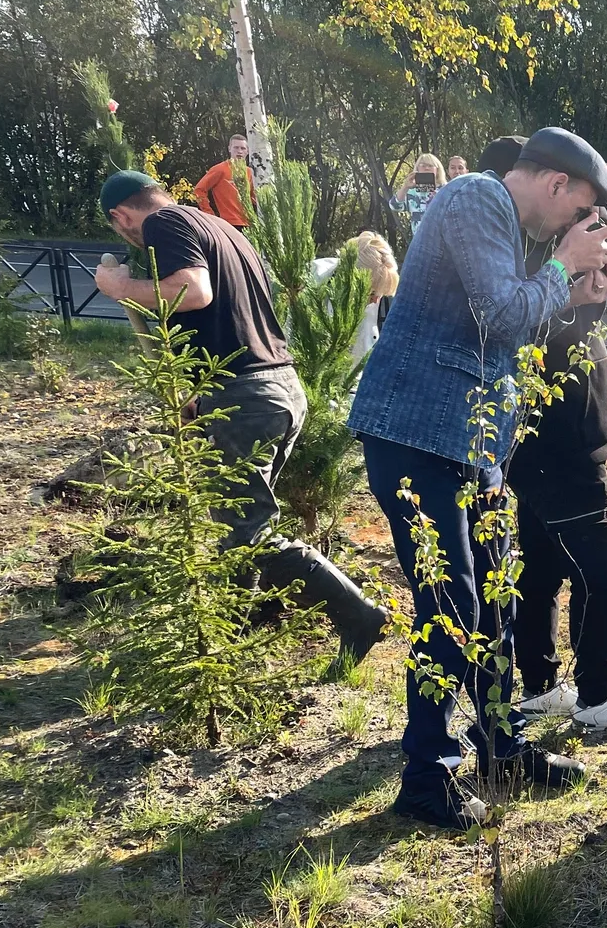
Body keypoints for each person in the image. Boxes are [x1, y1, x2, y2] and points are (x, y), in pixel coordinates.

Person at [348, 128, 607, 830]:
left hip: (470, 448)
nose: (572, 229)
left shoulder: (509, 234)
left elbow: (510, 335)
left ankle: (501, 749)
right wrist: (561, 266)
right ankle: (425, 780)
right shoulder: (475, 198)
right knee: (451, 607)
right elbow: (501, 315)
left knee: (492, 606)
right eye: (577, 213)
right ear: (557, 184)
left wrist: (577, 295)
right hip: (415, 434)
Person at [91, 170, 389, 667]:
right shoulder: (223, 230)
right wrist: (193, 391)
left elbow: (193, 292)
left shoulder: (166, 224)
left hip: (244, 398)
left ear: (121, 216)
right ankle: (239, 637)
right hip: (280, 387)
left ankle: (358, 614)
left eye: (120, 228)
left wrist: (123, 285)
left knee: (247, 532)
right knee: (239, 527)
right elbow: (227, 318)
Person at [472, 135, 607, 734]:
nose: (584, 223)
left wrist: (588, 304)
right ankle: (596, 697)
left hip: (542, 444)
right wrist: (574, 288)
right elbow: (533, 343)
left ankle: (540, 688)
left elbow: (556, 336)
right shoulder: (530, 255)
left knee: (539, 569)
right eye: (580, 211)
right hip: (555, 446)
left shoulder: (535, 257)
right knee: (602, 570)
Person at [350, 230, 398, 365]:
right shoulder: (315, 283)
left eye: (380, 294)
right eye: (372, 293)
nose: (376, 300)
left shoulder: (382, 301)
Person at [192, 135, 255, 229]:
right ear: (229, 149)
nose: (239, 151)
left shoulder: (251, 173)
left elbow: (254, 198)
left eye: (243, 148)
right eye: (236, 148)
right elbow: (199, 190)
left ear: (247, 151)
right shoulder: (220, 169)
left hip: (250, 224)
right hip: (227, 224)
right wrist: (209, 214)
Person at [392, 154, 447, 234]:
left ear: (437, 170)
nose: (427, 168)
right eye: (423, 165)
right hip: (419, 239)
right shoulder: (412, 191)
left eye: (430, 165)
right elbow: (395, 206)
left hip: (442, 237)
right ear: (417, 169)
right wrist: (405, 187)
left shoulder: (446, 189)